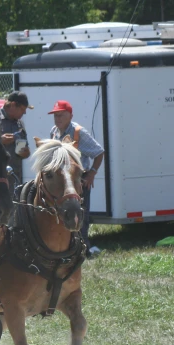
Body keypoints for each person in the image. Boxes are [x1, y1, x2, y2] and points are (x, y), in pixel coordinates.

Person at [48, 100, 105, 254]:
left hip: (79, 180)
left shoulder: (79, 132)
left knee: (81, 214)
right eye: (55, 115)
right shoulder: (54, 131)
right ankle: (66, 246)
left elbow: (99, 152)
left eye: (61, 115)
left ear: (70, 116)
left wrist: (92, 173)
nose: (57, 118)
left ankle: (83, 248)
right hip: (62, 180)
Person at [0, 91, 33, 184]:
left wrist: (26, 152)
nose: (24, 112)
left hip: (14, 179)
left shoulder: (20, 124)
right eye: (22, 109)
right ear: (12, 105)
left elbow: (25, 151)